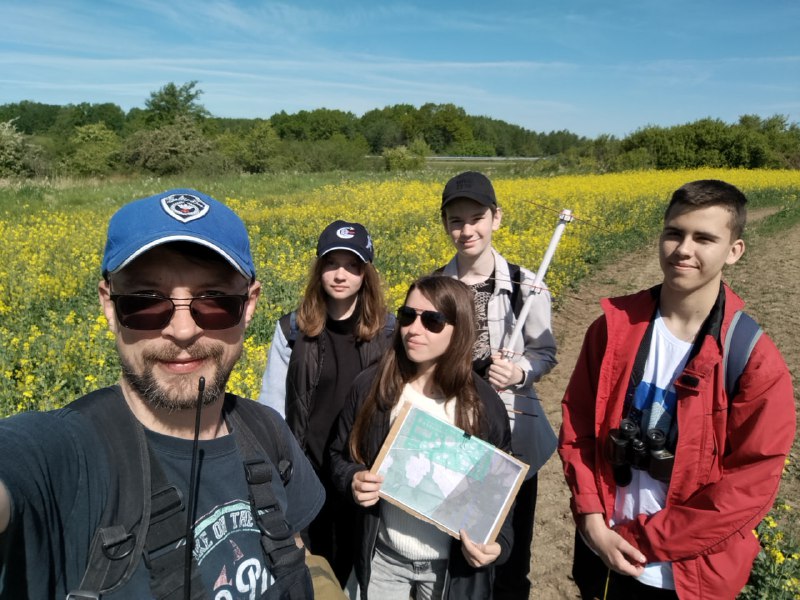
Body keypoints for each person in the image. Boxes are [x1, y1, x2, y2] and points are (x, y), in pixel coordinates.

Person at [0, 189, 325, 598]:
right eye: (145, 302)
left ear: (248, 306)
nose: (183, 331)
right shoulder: (66, 456)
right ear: (109, 306)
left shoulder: (267, 431)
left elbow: (296, 551)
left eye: (215, 300)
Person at [558, 179, 796, 599]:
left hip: (684, 576)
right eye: (674, 233)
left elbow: (748, 487)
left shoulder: (752, 359)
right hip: (601, 551)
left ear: (734, 251)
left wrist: (638, 539)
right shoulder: (613, 330)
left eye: (704, 238)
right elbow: (578, 429)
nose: (684, 249)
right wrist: (591, 518)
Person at [329, 275, 514, 600]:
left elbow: (502, 491)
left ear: (459, 329)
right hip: (382, 560)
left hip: (450, 571)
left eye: (432, 321)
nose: (414, 329)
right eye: (407, 316)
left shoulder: (484, 406)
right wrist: (353, 480)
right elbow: (338, 456)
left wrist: (499, 544)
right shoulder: (372, 387)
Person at [436, 170, 557, 599]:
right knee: (459, 550)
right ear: (445, 224)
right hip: (453, 437)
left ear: (496, 218)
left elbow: (544, 351)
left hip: (512, 437)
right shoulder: (436, 287)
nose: (466, 230)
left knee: (510, 558)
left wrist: (520, 372)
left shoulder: (528, 286)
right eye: (456, 221)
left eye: (476, 218)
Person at [258, 219, 394, 585]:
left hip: (363, 474)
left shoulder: (388, 331)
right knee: (315, 568)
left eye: (352, 265)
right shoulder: (292, 330)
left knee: (359, 565)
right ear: (319, 269)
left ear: (366, 274)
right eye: (331, 263)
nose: (340, 274)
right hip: (309, 470)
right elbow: (272, 406)